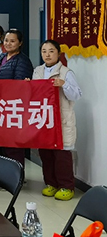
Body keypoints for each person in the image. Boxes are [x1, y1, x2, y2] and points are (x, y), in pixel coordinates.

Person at [33, 39, 81, 201]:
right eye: (44, 51)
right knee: (46, 154)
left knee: (61, 155)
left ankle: (67, 186)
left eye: (51, 51)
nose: (47, 54)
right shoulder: (37, 71)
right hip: (44, 119)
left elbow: (76, 95)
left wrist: (64, 84)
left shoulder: (66, 72)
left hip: (62, 120)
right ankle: (51, 184)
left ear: (58, 53)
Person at [0, 28, 34, 170]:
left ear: (20, 43)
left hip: (13, 108)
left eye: (12, 41)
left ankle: (15, 175)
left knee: (13, 145)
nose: (8, 44)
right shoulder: (1, 57)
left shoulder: (22, 61)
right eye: (6, 40)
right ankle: (0, 174)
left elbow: (20, 87)